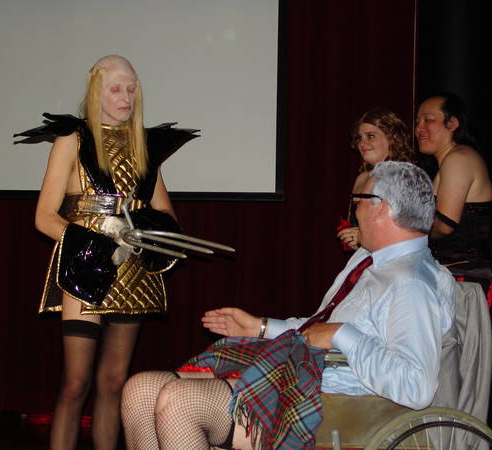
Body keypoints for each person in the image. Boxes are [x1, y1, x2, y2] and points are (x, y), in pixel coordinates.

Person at [121, 161, 455, 449]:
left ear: (381, 207)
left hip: (336, 404)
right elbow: (318, 328)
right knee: (140, 391)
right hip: (301, 373)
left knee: (180, 402)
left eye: (359, 201)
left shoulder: (411, 283)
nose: (355, 210)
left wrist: (343, 334)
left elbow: (416, 386)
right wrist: (260, 327)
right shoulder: (368, 259)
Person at [15, 55, 197, 450]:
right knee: (75, 382)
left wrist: (142, 231)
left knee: (114, 382)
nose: (126, 96)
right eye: (116, 88)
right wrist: (93, 243)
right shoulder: (73, 139)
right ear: (97, 90)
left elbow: (166, 213)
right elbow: (44, 217)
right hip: (84, 267)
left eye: (131, 89)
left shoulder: (143, 146)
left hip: (131, 268)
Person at [416, 92, 492, 270]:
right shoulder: (453, 158)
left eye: (428, 120)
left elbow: (445, 225)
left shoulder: (458, 159)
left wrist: (406, 235)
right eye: (417, 122)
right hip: (455, 270)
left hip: (466, 274)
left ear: (452, 123)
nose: (419, 128)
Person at [337, 108, 414, 251]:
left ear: (392, 138)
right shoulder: (362, 178)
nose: (362, 143)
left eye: (370, 136)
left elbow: (409, 233)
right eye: (360, 138)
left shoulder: (404, 177)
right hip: (367, 256)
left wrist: (363, 237)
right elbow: (355, 226)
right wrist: (353, 239)